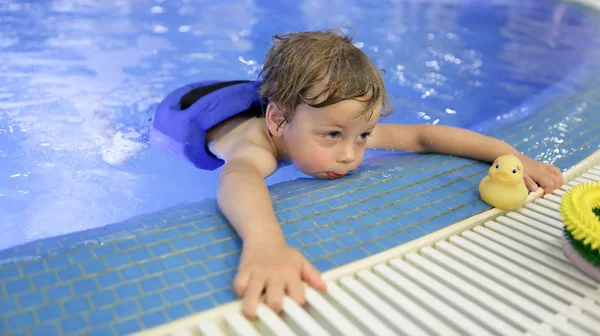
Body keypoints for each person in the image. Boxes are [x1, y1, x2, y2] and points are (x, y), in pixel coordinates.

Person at [153, 30, 563, 319]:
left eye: (363, 135)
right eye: (333, 136)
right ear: (278, 122)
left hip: (260, 99)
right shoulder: (254, 148)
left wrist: (509, 155)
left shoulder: (332, 120)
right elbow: (238, 178)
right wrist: (265, 245)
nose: (351, 155)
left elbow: (421, 137)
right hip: (182, 115)